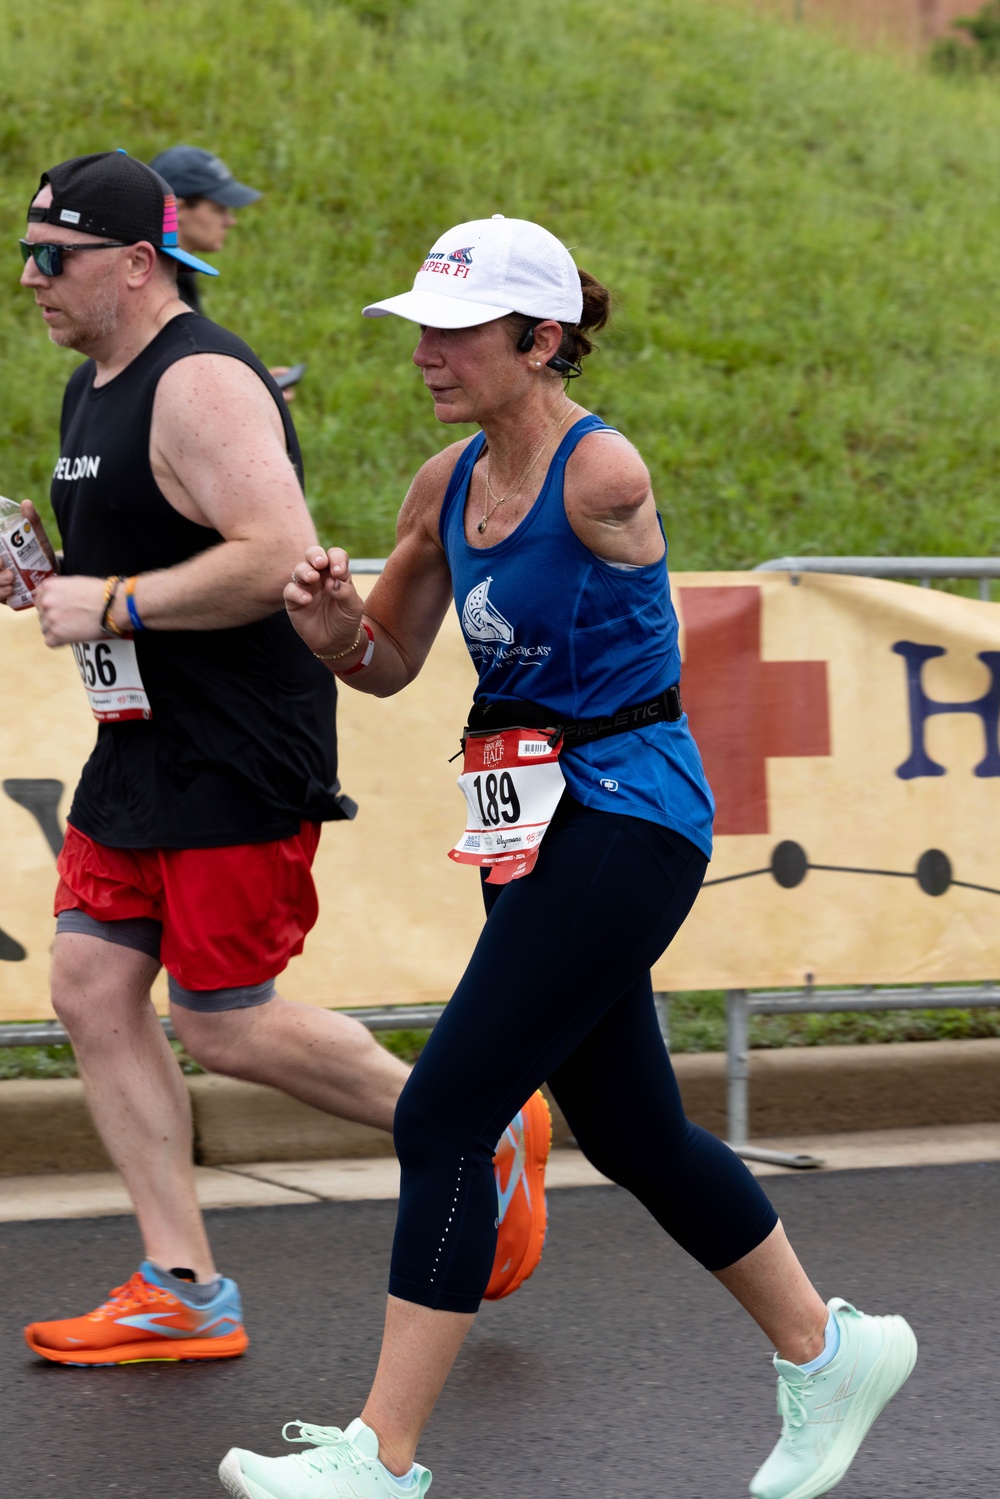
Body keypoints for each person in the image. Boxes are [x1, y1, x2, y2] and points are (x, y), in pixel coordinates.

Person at [218, 216, 918, 1499]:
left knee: (443, 1111)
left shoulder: (601, 473)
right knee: (634, 1128)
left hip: (629, 812)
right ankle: (829, 1350)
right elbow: (386, 666)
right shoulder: (441, 485)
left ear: (541, 341)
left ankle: (379, 1457)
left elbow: (611, 594)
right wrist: (327, 629)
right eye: (418, 329)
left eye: (457, 331)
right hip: (530, 824)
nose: (426, 352)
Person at [7, 156, 549, 1368]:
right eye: (28, 251)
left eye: (56, 255)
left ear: (136, 262)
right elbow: (128, 562)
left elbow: (277, 553)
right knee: (93, 988)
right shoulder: (94, 381)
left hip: (238, 743)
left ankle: (486, 1119)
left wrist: (117, 604)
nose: (31, 276)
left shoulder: (200, 380)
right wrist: (54, 586)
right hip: (141, 739)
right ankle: (183, 1285)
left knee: (224, 1019)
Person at [148, 144, 298, 396]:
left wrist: (249, 385)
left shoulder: (167, 273)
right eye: (219, 209)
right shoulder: (156, 292)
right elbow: (177, 390)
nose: (230, 221)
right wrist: (250, 397)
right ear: (180, 209)